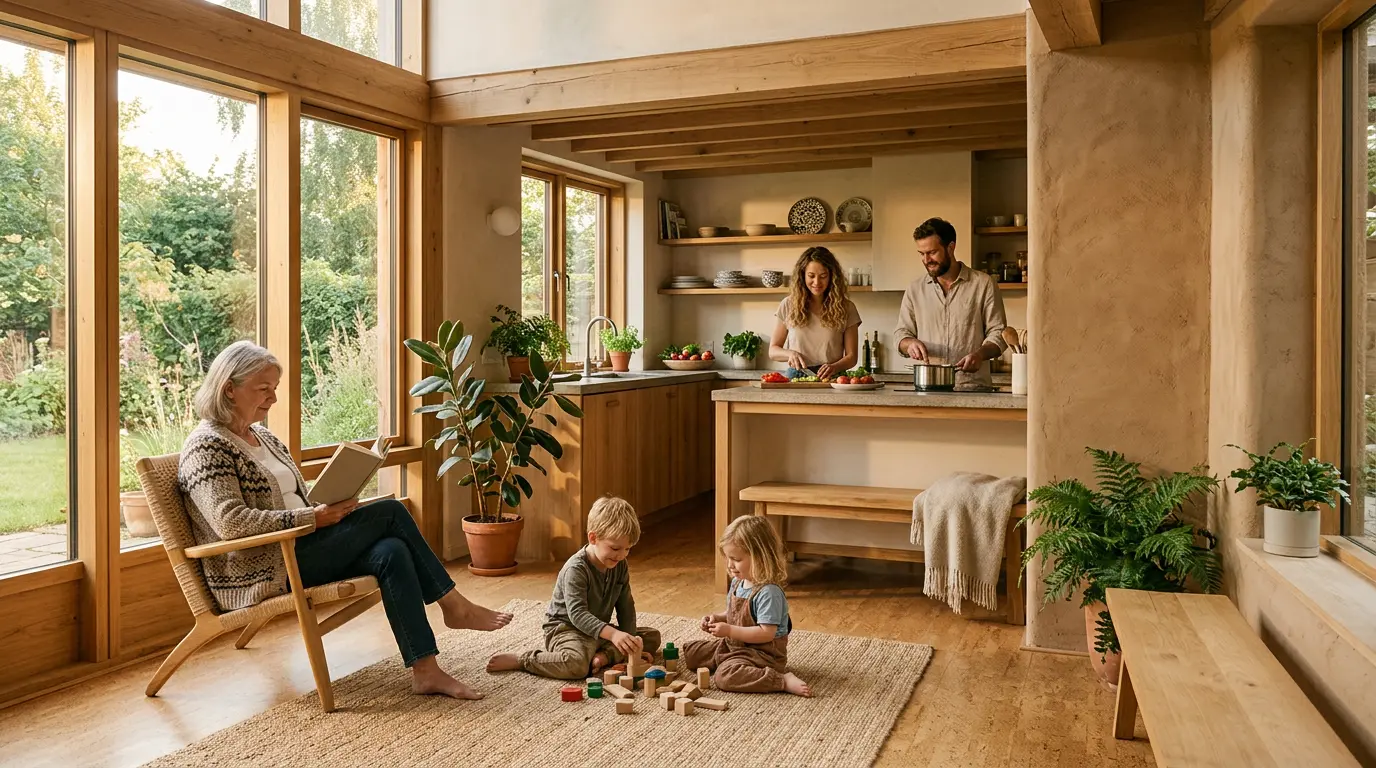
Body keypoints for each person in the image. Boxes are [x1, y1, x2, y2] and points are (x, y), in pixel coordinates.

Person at [178, 340, 512, 700]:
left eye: (274, 389)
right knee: (392, 511)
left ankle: (426, 671)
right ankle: (454, 605)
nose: (272, 398)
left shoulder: (264, 438)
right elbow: (231, 523)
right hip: (270, 564)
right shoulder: (207, 446)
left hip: (303, 544)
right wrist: (311, 518)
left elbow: (292, 496)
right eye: (263, 389)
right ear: (229, 387)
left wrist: (328, 504)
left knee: (392, 550)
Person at [485, 495, 659, 678]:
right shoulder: (576, 568)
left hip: (598, 631)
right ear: (593, 538)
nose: (621, 555)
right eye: (615, 549)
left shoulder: (619, 565)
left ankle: (604, 656)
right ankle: (524, 660)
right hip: (567, 630)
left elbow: (626, 607)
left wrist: (631, 645)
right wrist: (615, 636)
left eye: (627, 549)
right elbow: (578, 614)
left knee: (650, 637)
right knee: (576, 665)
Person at [682, 515, 812, 697]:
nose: (730, 566)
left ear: (761, 557)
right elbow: (734, 613)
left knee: (725, 677)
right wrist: (717, 618)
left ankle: (781, 680)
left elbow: (766, 633)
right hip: (735, 645)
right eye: (727, 558)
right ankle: (729, 660)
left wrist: (728, 630)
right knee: (692, 652)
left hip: (762, 655)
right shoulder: (738, 582)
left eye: (736, 559)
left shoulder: (769, 593)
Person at [895, 217, 1009, 389]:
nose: (926, 260)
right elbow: (901, 333)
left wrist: (980, 354)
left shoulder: (983, 283)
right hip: (929, 388)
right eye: (921, 254)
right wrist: (909, 343)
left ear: (951, 247)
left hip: (973, 388)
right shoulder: (915, 289)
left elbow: (999, 333)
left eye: (932, 252)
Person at [768, 246, 862, 379]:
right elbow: (773, 351)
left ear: (832, 277)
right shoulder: (788, 305)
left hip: (832, 377)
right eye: (811, 276)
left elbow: (852, 357)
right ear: (802, 275)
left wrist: (835, 367)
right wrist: (790, 354)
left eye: (823, 276)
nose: (817, 282)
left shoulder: (847, 307)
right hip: (796, 376)